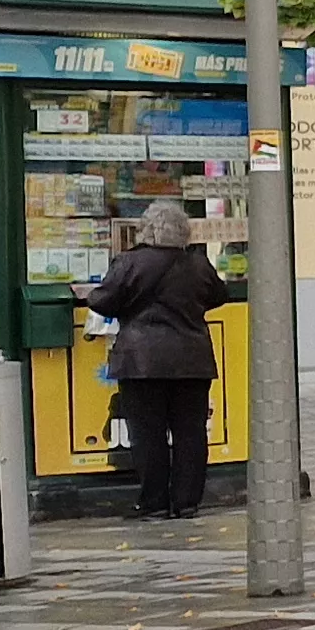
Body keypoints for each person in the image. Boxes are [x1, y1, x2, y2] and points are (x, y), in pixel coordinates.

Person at [86, 200, 228, 520]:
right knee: (190, 431)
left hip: (141, 361)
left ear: (146, 229)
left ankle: (154, 502)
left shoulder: (130, 262)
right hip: (191, 360)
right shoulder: (198, 264)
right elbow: (219, 295)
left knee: (148, 434)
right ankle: (187, 501)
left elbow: (101, 300)